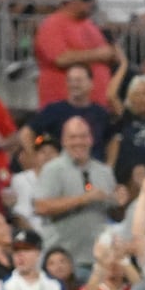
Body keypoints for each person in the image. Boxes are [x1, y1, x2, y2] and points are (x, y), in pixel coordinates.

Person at [33, 116, 120, 276]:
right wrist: (84, 199)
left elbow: (115, 214)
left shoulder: (104, 171)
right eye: (73, 137)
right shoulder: (52, 170)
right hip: (64, 262)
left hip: (99, 261)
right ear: (63, 141)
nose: (78, 142)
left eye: (83, 136)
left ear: (91, 139)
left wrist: (120, 201)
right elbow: (41, 206)